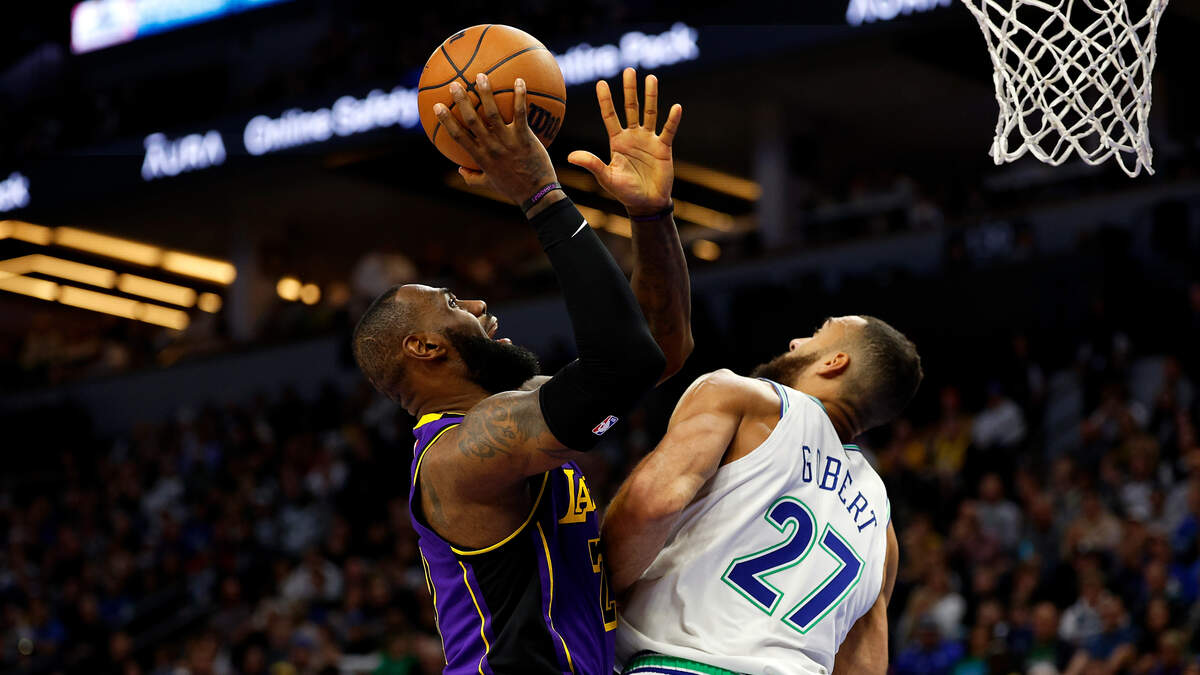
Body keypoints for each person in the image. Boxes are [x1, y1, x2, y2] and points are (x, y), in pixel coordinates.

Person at [352, 68, 690, 675]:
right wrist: (540, 193)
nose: (479, 304)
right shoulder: (458, 457)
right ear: (424, 347)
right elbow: (625, 363)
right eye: (453, 303)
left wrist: (650, 216)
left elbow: (657, 351)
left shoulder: (513, 415)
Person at [604, 315, 923, 674]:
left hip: (683, 664)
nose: (795, 343)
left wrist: (591, 590)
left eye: (817, 334)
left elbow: (651, 506)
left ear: (835, 362)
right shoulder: (882, 528)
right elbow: (864, 666)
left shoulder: (744, 399)